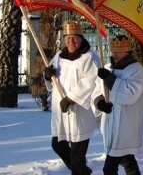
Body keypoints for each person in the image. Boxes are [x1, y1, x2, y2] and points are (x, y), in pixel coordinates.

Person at [43, 21, 100, 174]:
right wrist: (48, 76)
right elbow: (52, 76)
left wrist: (71, 98)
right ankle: (82, 171)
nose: (71, 42)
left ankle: (79, 171)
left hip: (79, 114)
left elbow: (90, 81)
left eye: (74, 38)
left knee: (77, 156)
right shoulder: (59, 56)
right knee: (58, 145)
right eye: (67, 38)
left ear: (81, 38)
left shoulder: (89, 57)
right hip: (61, 114)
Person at [92, 36, 143, 175]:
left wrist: (109, 79)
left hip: (126, 125)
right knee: (127, 161)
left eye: (119, 51)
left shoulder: (137, 70)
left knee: (109, 168)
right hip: (110, 124)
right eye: (113, 50)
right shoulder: (107, 68)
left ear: (127, 51)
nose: (114, 54)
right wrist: (100, 103)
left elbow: (129, 94)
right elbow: (97, 90)